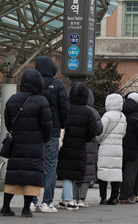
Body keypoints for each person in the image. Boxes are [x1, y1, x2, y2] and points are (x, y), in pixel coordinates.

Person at [1, 69, 52, 218]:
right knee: (32, 177)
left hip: (17, 143)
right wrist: (44, 138)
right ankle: (25, 210)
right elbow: (47, 124)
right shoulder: (41, 101)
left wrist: (15, 131)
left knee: (13, 176)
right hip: (35, 145)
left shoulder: (12, 99)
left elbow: (8, 121)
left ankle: (5, 207)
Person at [33, 56, 69, 214]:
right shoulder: (58, 84)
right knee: (50, 166)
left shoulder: (33, 83)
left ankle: (31, 201)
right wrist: (61, 125)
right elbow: (64, 108)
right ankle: (47, 202)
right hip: (52, 131)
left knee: (34, 165)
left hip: (34, 131)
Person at [56, 82, 99, 210]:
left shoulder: (66, 109)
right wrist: (85, 138)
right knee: (73, 173)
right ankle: (69, 200)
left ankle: (64, 199)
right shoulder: (88, 112)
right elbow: (93, 130)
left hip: (66, 145)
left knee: (67, 172)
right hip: (80, 145)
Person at [73, 89, 103, 207]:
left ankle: (73, 198)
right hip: (90, 145)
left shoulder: (72, 108)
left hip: (74, 144)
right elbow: (99, 129)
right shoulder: (93, 112)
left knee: (75, 173)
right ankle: (82, 199)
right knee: (87, 173)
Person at [96, 93, 127, 205]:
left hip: (106, 147)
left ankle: (103, 197)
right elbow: (123, 133)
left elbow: (100, 131)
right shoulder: (122, 116)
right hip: (118, 147)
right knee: (116, 172)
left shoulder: (107, 115)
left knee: (103, 171)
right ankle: (114, 197)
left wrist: (98, 140)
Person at [120, 92, 138, 204]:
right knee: (130, 173)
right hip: (134, 148)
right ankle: (125, 196)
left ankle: (118, 194)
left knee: (121, 171)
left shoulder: (121, 113)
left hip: (121, 145)